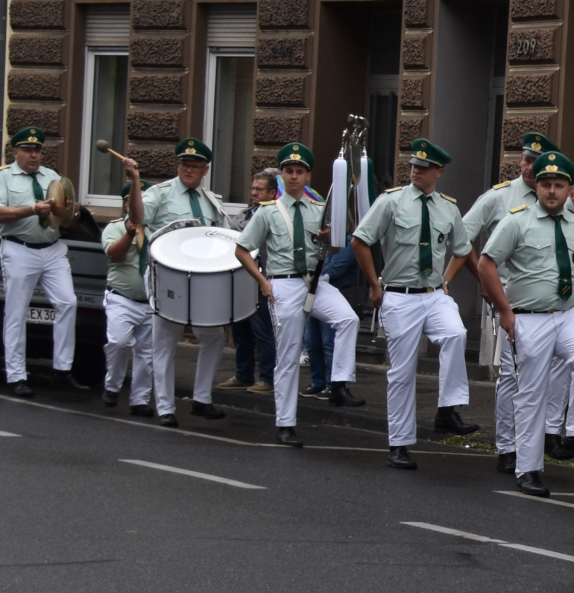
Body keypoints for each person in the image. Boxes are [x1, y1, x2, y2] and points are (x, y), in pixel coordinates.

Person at [477, 149, 574, 496]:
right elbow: (486, 264)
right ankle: (528, 469)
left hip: (566, 314)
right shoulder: (517, 220)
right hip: (527, 317)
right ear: (538, 187)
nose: (551, 191)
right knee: (531, 393)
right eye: (546, 184)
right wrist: (505, 311)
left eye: (558, 185)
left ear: (569, 189)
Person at [347, 139, 477, 468]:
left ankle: (447, 410)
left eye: (424, 167)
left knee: (456, 334)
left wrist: (446, 280)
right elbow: (360, 240)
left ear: (439, 172)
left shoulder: (448, 208)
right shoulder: (391, 201)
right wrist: (374, 283)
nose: (416, 171)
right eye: (413, 166)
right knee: (402, 373)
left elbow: (463, 250)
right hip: (399, 295)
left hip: (433, 294)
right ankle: (399, 445)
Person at [234, 142, 362, 449]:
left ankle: (338, 383)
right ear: (281, 175)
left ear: (308, 176)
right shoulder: (267, 212)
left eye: (299, 171)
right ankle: (285, 424)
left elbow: (334, 249)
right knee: (289, 356)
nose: (294, 176)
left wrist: (329, 240)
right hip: (284, 284)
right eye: (289, 171)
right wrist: (263, 282)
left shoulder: (319, 209)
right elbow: (242, 250)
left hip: (314, 282)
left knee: (349, 319)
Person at [465, 131, 550, 474]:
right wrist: (484, 281)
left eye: (536, 162)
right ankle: (507, 447)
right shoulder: (499, 197)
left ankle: (539, 440)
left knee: (543, 374)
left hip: (545, 302)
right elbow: (461, 237)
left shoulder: (554, 198)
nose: (529, 167)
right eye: (526, 160)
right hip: (508, 297)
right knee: (513, 374)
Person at [142, 138, 243, 424]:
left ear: (205, 170)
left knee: (214, 335)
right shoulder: (159, 194)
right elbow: (137, 219)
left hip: (201, 280)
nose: (188, 170)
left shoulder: (211, 201)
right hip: (168, 276)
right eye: (184, 164)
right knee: (164, 342)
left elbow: (227, 238)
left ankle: (202, 399)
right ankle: (165, 408)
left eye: (195, 166)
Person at [0, 125, 85, 397]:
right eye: (28, 150)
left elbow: (65, 216)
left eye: (38, 150)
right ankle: (16, 375)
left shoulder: (51, 176)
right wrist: (31, 209)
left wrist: (72, 212)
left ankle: (62, 369)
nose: (34, 155)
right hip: (20, 248)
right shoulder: (2, 177)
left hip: (52, 248)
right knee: (16, 312)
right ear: (15, 152)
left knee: (68, 302)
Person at [100, 175, 155, 415]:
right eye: (132, 200)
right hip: (122, 298)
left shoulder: (158, 229)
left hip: (151, 301)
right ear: (125, 204)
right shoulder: (114, 227)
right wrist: (129, 234)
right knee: (119, 343)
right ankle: (112, 385)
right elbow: (113, 254)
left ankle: (140, 400)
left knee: (147, 353)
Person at [224, 169, 279, 395]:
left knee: (263, 331)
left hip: (263, 279)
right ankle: (243, 374)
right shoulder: (244, 214)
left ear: (272, 193)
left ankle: (267, 378)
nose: (255, 193)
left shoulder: (276, 214)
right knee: (241, 330)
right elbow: (231, 237)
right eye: (253, 189)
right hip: (240, 279)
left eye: (260, 189)